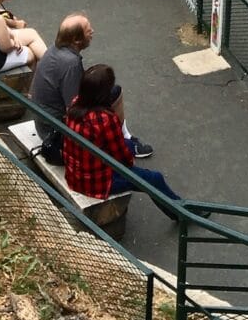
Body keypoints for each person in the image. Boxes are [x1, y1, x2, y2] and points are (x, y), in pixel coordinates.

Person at [30, 14, 153, 164]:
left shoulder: (54, 50)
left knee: (108, 93)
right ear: (76, 40)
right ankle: (123, 142)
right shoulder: (71, 64)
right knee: (114, 92)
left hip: (44, 122)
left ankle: (122, 136)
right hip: (54, 132)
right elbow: (75, 107)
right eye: (89, 31)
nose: (93, 32)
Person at [64, 64, 180, 212]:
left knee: (127, 144)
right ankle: (182, 212)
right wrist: (132, 165)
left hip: (75, 174)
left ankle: (134, 147)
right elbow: (122, 158)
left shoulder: (75, 104)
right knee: (154, 179)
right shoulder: (104, 119)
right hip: (98, 183)